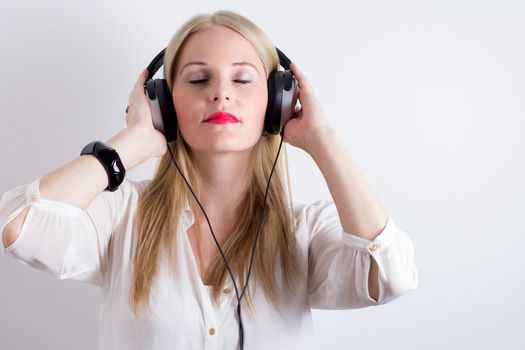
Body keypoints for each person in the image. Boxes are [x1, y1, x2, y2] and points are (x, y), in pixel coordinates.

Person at [0, 10, 417, 350]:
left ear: (279, 102)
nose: (220, 93)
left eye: (242, 78)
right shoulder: (121, 215)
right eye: (199, 79)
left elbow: (389, 275)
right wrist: (134, 142)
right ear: (163, 103)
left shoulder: (305, 231)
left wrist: (323, 140)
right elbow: (19, 226)